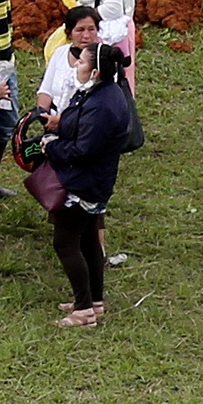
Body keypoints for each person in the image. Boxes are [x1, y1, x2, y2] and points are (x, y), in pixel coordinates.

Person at [37, 39, 139, 326]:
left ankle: (83, 310)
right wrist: (61, 125)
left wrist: (50, 147)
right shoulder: (102, 93)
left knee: (65, 243)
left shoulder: (101, 106)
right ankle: (95, 301)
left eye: (81, 62)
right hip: (94, 180)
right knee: (89, 240)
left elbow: (83, 150)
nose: (76, 66)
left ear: (95, 72)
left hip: (83, 183)